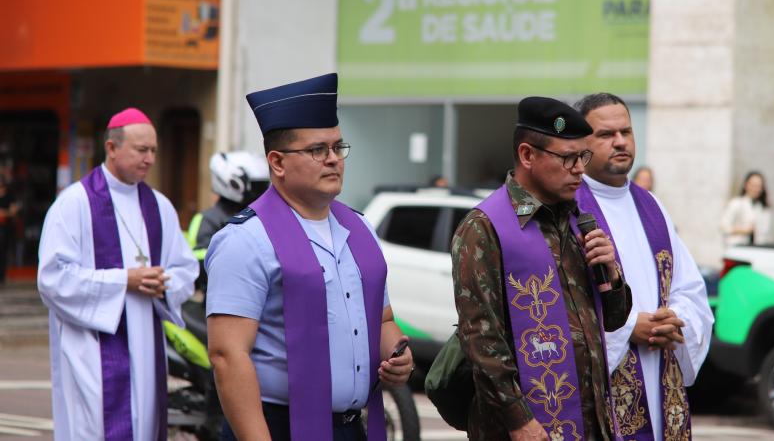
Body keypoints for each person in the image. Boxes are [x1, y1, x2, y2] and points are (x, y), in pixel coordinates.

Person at [205, 73, 413, 441]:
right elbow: (227, 355)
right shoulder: (245, 240)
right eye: (318, 150)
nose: (333, 160)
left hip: (349, 427)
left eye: (338, 147)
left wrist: (398, 356)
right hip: (276, 426)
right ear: (278, 162)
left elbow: (382, 319)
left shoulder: (360, 230)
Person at [452, 96, 632, 441]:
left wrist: (612, 274)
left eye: (583, 156)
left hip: (592, 421)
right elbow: (481, 340)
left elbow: (614, 320)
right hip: (524, 428)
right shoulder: (485, 227)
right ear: (527, 155)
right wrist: (519, 421)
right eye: (567, 158)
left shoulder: (580, 220)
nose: (579, 168)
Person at [37, 107, 199, 440]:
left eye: (154, 150)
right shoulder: (75, 204)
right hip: (90, 351)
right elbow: (52, 279)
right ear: (112, 148)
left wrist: (163, 284)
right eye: (142, 150)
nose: (150, 159)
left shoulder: (159, 207)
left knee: (144, 425)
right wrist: (124, 280)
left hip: (147, 347)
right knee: (94, 427)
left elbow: (185, 267)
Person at [574, 93, 713, 441]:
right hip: (603, 391)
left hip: (660, 374)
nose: (620, 142)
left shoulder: (650, 204)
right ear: (581, 143)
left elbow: (688, 288)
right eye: (605, 134)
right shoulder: (568, 210)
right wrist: (627, 328)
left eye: (626, 131)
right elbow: (560, 308)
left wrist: (673, 319)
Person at [720, 171, 772, 247]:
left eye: (759, 186)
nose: (756, 189)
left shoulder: (763, 208)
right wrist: (744, 230)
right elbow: (723, 226)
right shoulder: (736, 203)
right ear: (746, 185)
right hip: (737, 247)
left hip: (757, 249)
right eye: (753, 185)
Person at [0, 176, 20, 283]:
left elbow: (13, 211)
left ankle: (2, 275)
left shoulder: (10, 197)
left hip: (5, 228)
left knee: (3, 251)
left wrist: (4, 213)